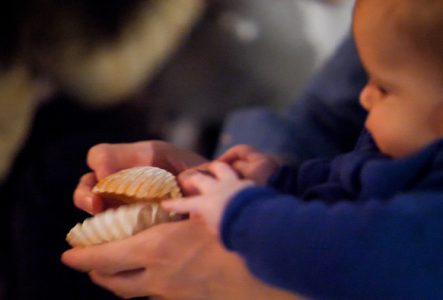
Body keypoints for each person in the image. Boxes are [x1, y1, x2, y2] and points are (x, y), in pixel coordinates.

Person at [63, 0, 443, 299]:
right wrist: (275, 176)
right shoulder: (408, 146)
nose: (365, 96)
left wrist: (239, 214)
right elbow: (339, 157)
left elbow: (352, 247)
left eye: (385, 88)